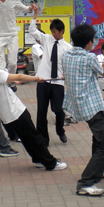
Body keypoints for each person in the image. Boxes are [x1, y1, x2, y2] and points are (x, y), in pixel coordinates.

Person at [0, 41, 67, 171]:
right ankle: (51, 163)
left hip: (6, 115)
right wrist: (36, 78)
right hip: (15, 111)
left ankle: (38, 159)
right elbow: (20, 75)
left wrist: (14, 81)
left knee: (27, 139)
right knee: (34, 137)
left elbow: (0, 81)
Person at [62, 24, 104, 197]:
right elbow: (102, 71)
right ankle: (86, 182)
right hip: (92, 106)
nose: (93, 42)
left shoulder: (66, 55)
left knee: (98, 138)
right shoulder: (89, 57)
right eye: (93, 40)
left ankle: (100, 169)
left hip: (78, 105)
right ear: (89, 42)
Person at [29, 9, 72, 145]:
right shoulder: (47, 39)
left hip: (58, 82)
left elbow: (69, 65)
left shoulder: (68, 48)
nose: (53, 34)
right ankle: (43, 138)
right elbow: (32, 30)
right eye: (52, 31)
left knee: (58, 110)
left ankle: (60, 130)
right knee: (41, 111)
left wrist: (67, 74)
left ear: (62, 31)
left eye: (55, 32)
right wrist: (35, 15)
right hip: (43, 80)